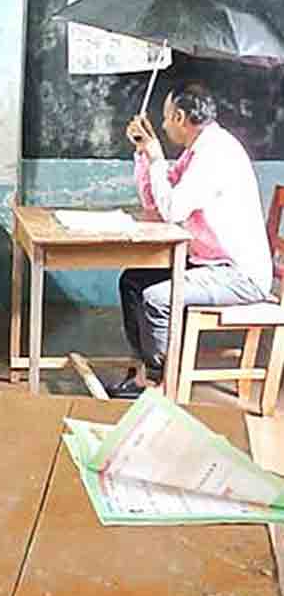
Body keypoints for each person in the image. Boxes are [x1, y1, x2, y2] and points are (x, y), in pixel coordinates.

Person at [108, 82, 272, 398]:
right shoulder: (197, 150)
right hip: (208, 263)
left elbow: (171, 210)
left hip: (238, 274)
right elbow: (156, 201)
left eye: (167, 118)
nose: (165, 124)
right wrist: (146, 152)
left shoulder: (216, 154)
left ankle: (158, 381)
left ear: (181, 117)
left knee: (157, 298)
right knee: (132, 281)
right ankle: (147, 367)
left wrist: (157, 159)